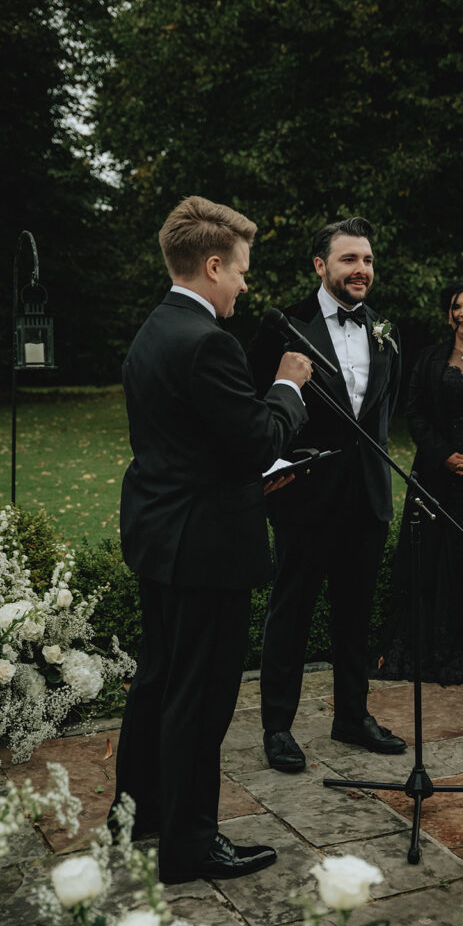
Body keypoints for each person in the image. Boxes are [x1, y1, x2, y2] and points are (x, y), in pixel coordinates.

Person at [110, 196, 312, 885]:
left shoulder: (154, 329)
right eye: (242, 272)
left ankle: (137, 816)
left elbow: (195, 436)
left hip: (160, 535)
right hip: (204, 549)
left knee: (159, 684)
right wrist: (286, 388)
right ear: (214, 264)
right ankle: (190, 845)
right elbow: (257, 440)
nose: (245, 286)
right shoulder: (206, 341)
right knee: (200, 699)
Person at [248, 216, 406, 773]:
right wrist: (272, 473)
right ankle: (277, 727)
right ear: (321, 266)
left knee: (355, 613)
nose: (360, 269)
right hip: (305, 495)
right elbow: (257, 406)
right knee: (290, 612)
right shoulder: (283, 327)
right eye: (348, 260)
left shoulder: (386, 331)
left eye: (366, 259)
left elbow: (381, 414)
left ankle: (351, 716)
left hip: (366, 496)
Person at [374, 279, 463, 685]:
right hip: (436, 475)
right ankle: (428, 653)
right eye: (456, 307)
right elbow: (414, 414)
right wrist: (445, 456)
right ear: (447, 314)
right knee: (431, 562)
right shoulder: (430, 358)